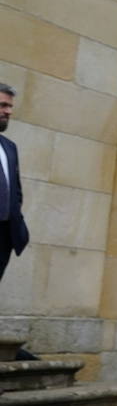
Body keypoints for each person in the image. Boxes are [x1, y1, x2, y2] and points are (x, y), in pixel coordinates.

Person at [0, 83, 30, 283]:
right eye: (3, 105)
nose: (9, 111)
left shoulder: (9, 147)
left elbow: (15, 192)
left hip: (3, 238)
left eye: (10, 106)